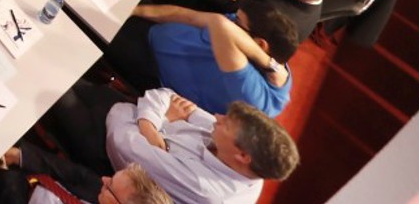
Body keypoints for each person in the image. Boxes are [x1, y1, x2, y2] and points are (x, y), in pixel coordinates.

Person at [43, 82, 298, 204]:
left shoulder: (207, 191)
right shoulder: (234, 147)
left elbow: (123, 144)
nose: (217, 117)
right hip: (130, 113)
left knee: (48, 86)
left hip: (105, 148)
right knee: (64, 70)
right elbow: (165, 94)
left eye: (226, 123)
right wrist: (150, 127)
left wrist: (160, 120)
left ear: (242, 156)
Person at [130, 3, 299, 117]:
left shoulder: (255, 96)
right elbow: (188, 17)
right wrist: (134, 9)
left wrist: (268, 63)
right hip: (153, 27)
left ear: (260, 44)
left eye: (237, 22)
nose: (232, 20)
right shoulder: (263, 54)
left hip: (149, 63)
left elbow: (219, 23)